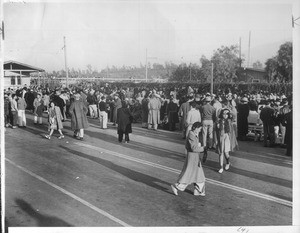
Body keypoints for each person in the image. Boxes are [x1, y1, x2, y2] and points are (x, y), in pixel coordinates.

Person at [171, 122, 207, 196]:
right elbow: (194, 148)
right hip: (192, 158)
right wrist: (203, 148)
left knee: (198, 175)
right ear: (196, 128)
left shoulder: (193, 134)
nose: (200, 130)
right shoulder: (192, 135)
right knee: (189, 175)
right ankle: (176, 186)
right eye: (199, 129)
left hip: (194, 158)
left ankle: (198, 191)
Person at [216, 108, 238, 173]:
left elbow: (234, 116)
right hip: (220, 137)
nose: (225, 115)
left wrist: (229, 111)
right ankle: (221, 167)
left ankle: (228, 162)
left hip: (227, 137)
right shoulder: (218, 121)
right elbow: (215, 131)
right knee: (221, 153)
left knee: (226, 153)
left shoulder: (229, 120)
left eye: (226, 114)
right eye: (224, 114)